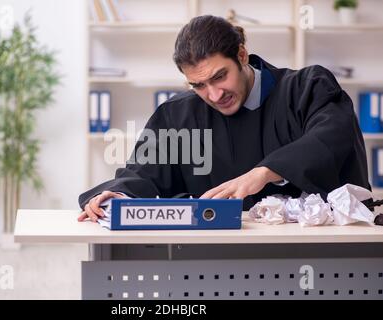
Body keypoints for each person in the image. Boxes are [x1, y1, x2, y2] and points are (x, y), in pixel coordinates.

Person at [77, 15, 370, 222]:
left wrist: (266, 171)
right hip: (212, 257)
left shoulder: (306, 88)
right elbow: (143, 173)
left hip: (314, 253)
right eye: (199, 85)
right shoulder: (177, 115)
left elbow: (334, 134)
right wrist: (117, 197)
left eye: (220, 77)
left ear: (241, 55)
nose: (214, 94)